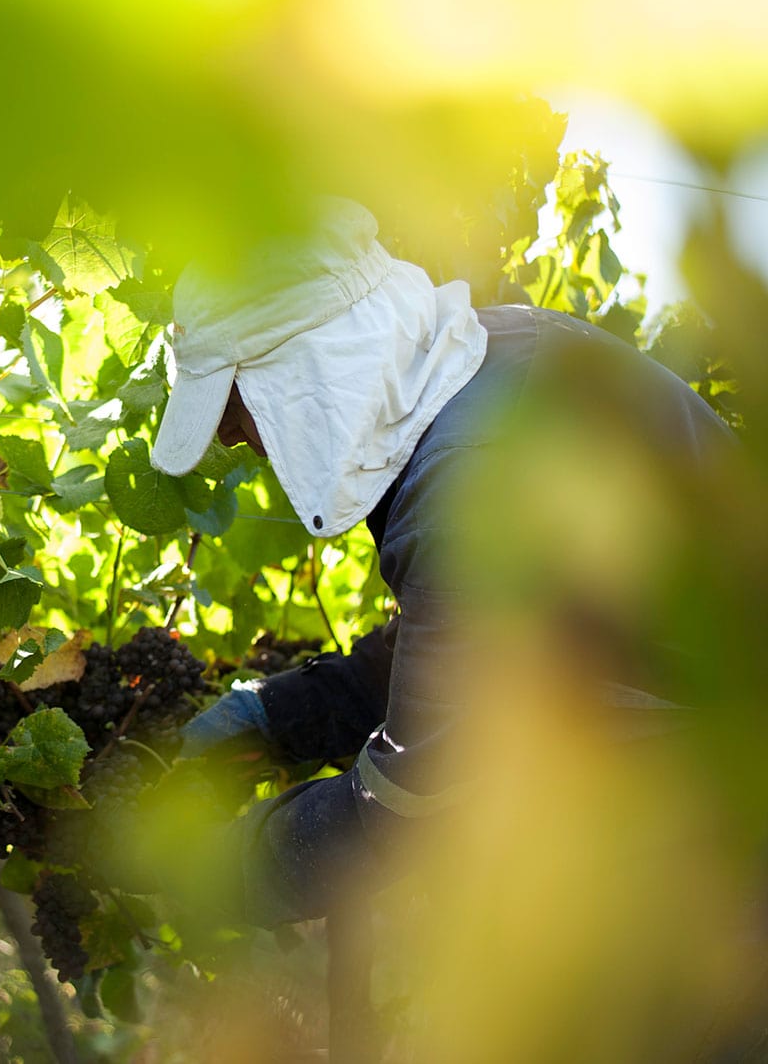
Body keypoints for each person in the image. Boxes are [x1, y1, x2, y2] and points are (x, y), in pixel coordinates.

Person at [148, 197, 737, 929]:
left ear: (305, 379)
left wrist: (220, 868)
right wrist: (283, 714)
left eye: (236, 407)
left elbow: (416, 805)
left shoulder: (467, 482)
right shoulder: (505, 356)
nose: (235, 440)